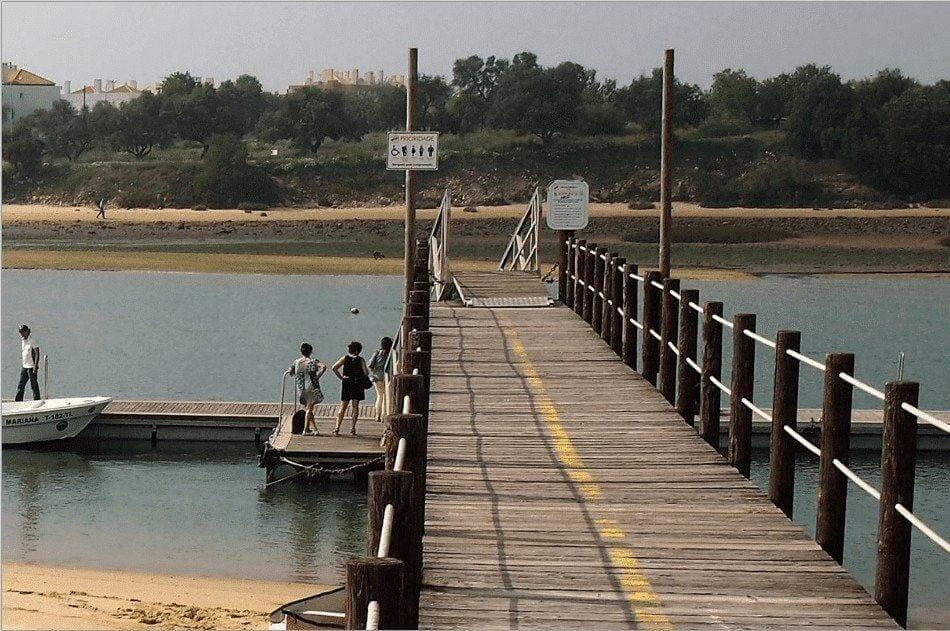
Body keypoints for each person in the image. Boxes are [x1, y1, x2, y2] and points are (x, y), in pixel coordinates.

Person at [332, 341, 370, 436]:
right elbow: (366, 373)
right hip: (357, 385)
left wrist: (341, 377)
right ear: (358, 351)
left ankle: (337, 428)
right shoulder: (361, 360)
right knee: (355, 407)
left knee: (343, 407)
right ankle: (352, 428)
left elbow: (334, 367)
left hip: (347, 383)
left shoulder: (345, 358)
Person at [289, 343, 326, 435]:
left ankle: (315, 429)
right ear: (310, 352)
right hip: (312, 386)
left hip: (301, 387)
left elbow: (290, 372)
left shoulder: (296, 362)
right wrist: (318, 376)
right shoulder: (312, 361)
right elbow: (323, 366)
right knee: (309, 408)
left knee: (308, 408)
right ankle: (305, 430)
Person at [367, 337, 393, 422]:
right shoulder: (391, 354)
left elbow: (370, 365)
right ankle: (383, 416)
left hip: (377, 378)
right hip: (388, 377)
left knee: (379, 396)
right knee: (386, 397)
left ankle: (377, 416)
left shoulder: (377, 353)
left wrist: (374, 370)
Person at [15, 324, 41, 402]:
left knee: (33, 385)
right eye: (20, 332)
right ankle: (18, 401)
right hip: (24, 366)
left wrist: (35, 366)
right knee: (21, 385)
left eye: (23, 332)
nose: (22, 334)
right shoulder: (23, 340)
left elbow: (37, 353)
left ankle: (37, 400)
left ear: (27, 331)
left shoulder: (32, 340)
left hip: (31, 367)